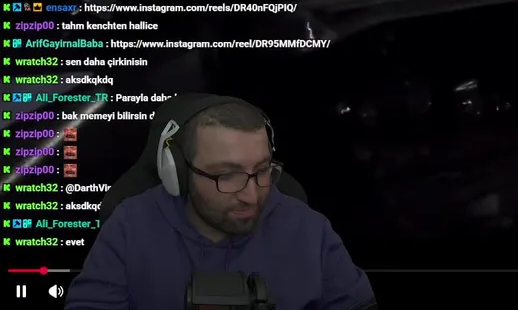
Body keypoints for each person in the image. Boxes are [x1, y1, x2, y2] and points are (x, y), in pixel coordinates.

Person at [66, 100, 375, 310]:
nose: (251, 196)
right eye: (227, 175)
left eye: (262, 171)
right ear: (179, 173)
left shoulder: (309, 230)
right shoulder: (130, 226)